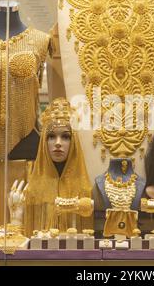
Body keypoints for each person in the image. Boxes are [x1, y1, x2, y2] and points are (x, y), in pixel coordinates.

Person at [9, 98, 93, 236]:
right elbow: (20, 242)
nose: (58, 143)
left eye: (65, 137)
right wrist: (16, 219)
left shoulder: (84, 189)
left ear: (74, 142)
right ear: (44, 141)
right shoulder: (32, 190)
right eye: (52, 136)